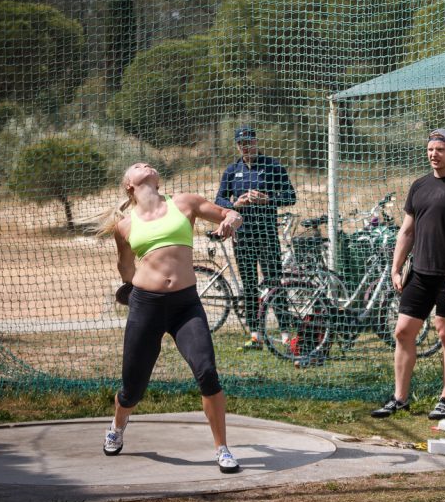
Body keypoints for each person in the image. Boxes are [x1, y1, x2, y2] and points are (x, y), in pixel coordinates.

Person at [97, 162, 245, 473]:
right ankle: (118, 423)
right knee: (132, 388)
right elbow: (125, 269)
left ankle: (223, 449)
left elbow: (228, 213)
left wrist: (232, 218)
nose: (145, 165)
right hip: (145, 306)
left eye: (147, 163)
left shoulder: (184, 203)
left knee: (207, 372)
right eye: (137, 166)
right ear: (129, 185)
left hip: (185, 305)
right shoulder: (124, 226)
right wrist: (130, 289)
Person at [371, 129, 445, 420]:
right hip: (419, 273)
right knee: (403, 331)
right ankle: (400, 398)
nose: (434, 154)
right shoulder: (419, 186)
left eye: (441, 149)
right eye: (431, 149)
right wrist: (395, 268)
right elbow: (406, 231)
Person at [214, 126, 297, 351]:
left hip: (268, 233)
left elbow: (291, 196)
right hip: (242, 235)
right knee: (249, 284)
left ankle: (285, 333)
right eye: (242, 143)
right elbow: (219, 200)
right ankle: (255, 335)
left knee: (274, 282)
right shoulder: (232, 170)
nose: (246, 146)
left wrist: (266, 199)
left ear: (256, 142)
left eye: (249, 142)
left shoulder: (273, 166)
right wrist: (235, 205)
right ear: (237, 146)